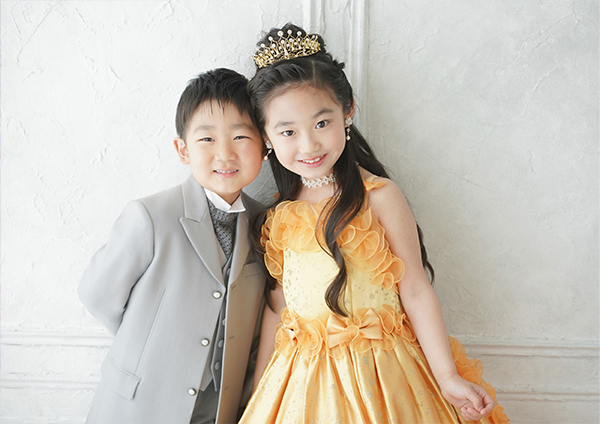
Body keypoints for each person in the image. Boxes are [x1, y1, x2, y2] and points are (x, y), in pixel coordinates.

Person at [238, 24, 510, 424]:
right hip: (302, 382)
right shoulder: (279, 214)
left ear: (347, 110)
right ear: (266, 136)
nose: (309, 145)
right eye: (288, 132)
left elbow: (415, 289)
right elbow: (278, 309)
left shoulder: (379, 197)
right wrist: (260, 392)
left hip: (382, 376)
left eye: (321, 123)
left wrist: (447, 376)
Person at [78, 68, 266, 424]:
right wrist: (150, 342)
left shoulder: (265, 223)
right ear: (183, 150)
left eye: (241, 136)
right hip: (139, 405)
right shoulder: (150, 216)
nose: (225, 154)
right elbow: (97, 295)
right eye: (207, 139)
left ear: (264, 146)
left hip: (219, 410)